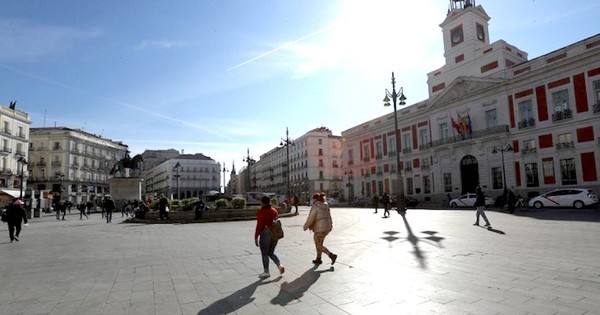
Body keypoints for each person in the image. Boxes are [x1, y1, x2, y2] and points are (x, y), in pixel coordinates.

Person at [254, 195, 284, 278]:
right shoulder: (274, 210)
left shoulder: (261, 212)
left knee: (264, 253)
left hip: (265, 233)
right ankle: (279, 265)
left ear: (262, 202)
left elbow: (259, 226)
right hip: (275, 233)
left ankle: (266, 272)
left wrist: (256, 237)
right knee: (271, 252)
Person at [303, 193, 337, 265]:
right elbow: (329, 216)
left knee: (318, 245)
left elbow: (311, 218)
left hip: (319, 228)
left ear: (315, 199)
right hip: (327, 227)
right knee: (319, 243)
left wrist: (305, 226)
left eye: (313, 199)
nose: (312, 200)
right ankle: (318, 258)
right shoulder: (326, 204)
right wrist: (330, 226)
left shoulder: (315, 206)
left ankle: (331, 255)